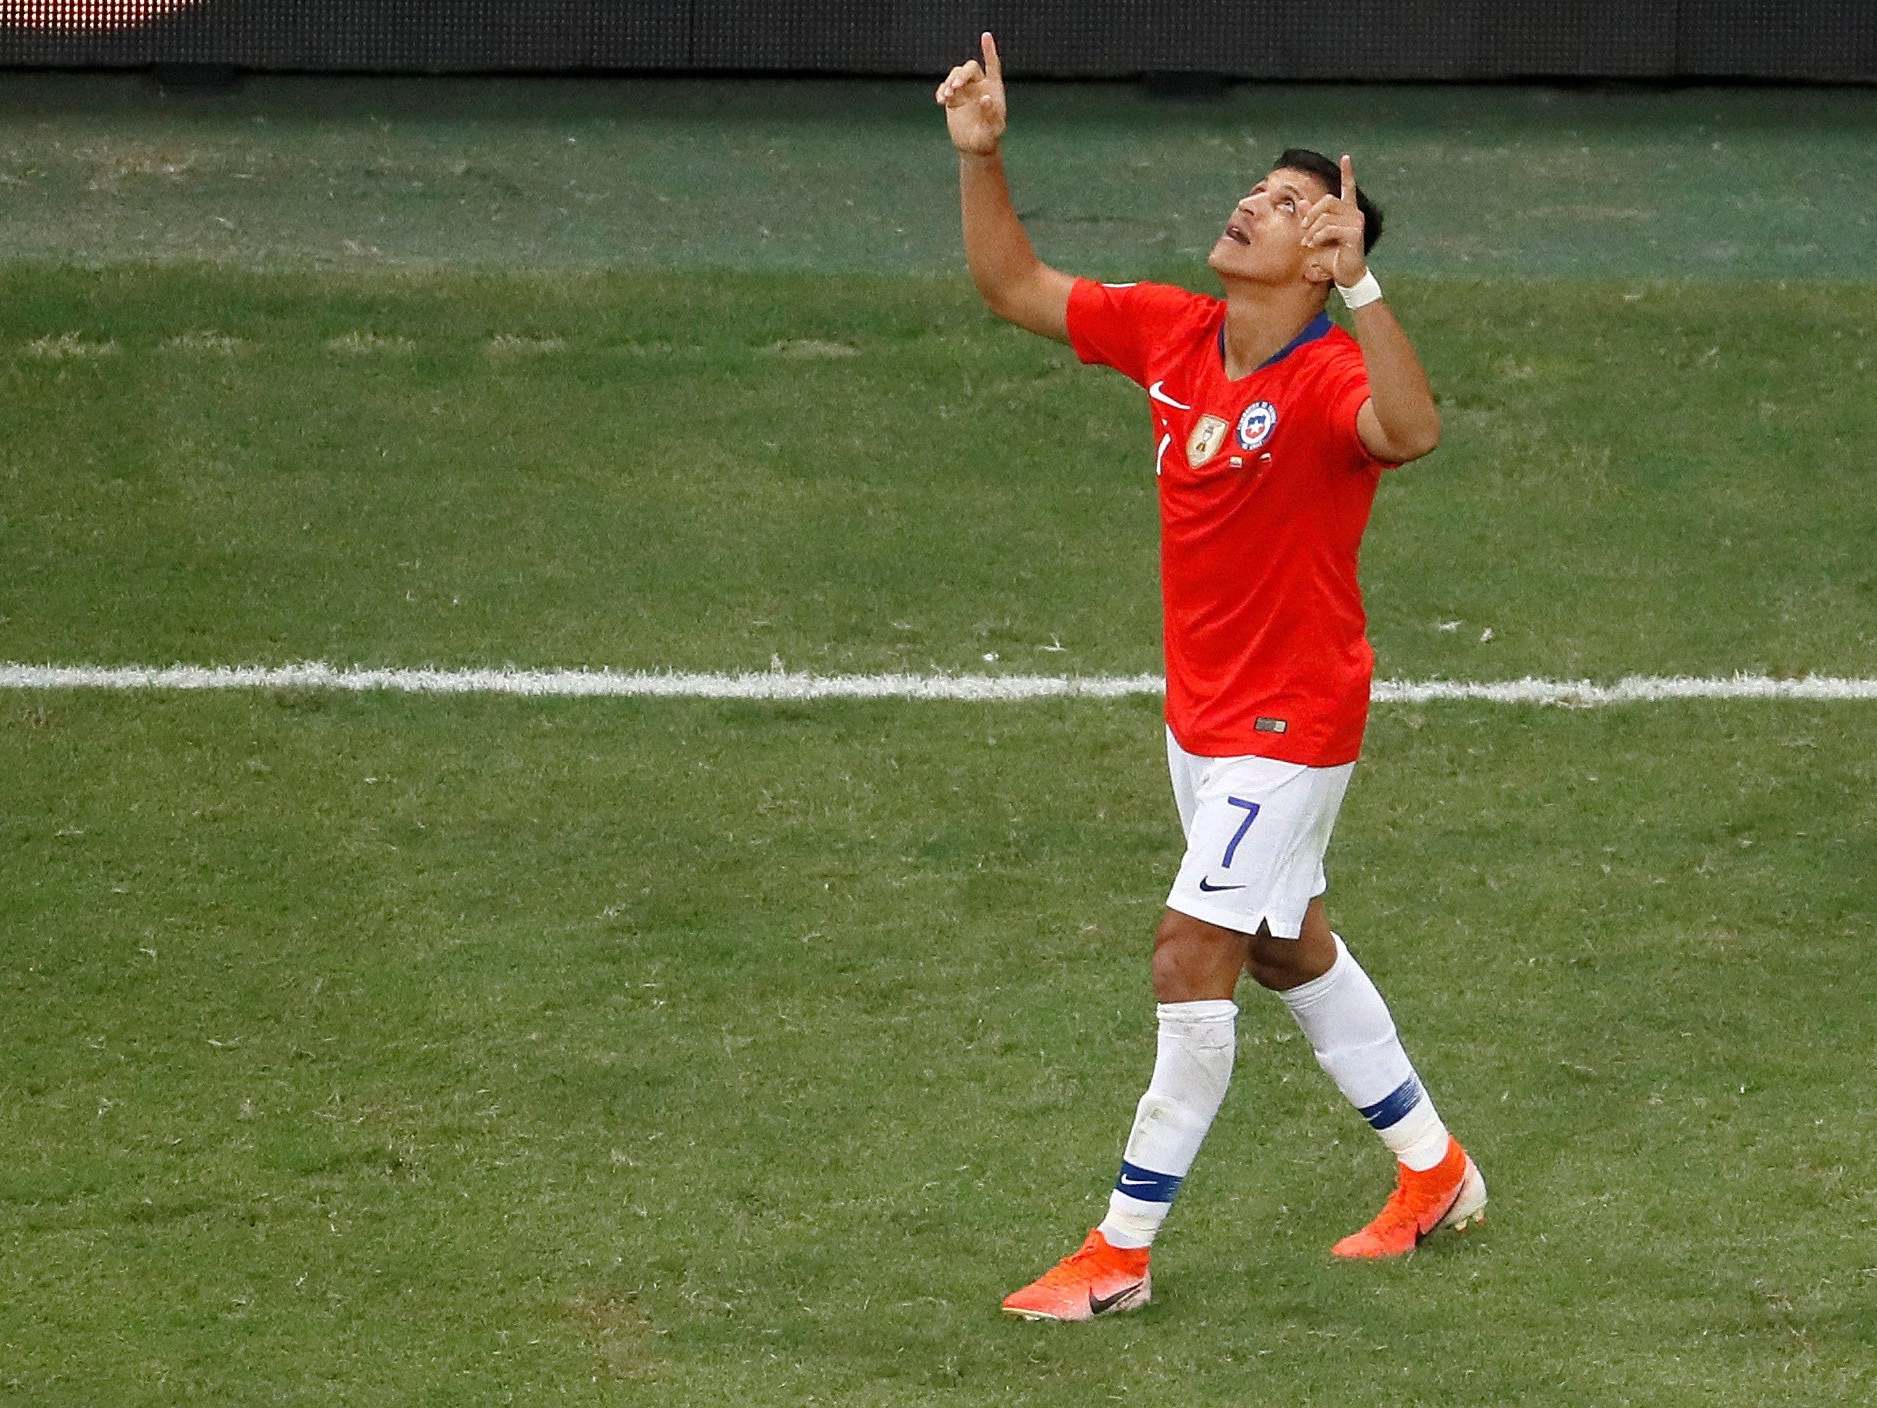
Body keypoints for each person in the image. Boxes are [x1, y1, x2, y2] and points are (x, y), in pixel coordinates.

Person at [935, 34, 1485, 1322]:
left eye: (1292, 204)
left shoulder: (1333, 372)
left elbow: (1412, 432)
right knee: (1289, 950)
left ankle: (1117, 1256)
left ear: (1324, 254)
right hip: (1205, 719)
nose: (1255, 204)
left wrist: (1367, 292)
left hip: (1292, 724)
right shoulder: (1174, 334)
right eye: (1262, 189)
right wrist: (983, 154)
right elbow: (1012, 283)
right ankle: (1437, 1171)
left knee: (1195, 953)